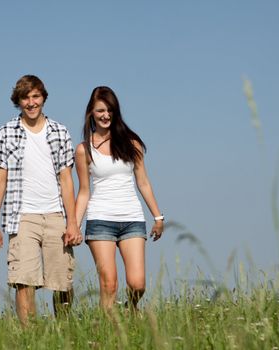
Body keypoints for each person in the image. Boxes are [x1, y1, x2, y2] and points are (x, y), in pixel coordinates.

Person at [0, 75, 82, 325]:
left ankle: (63, 330)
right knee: (24, 281)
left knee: (62, 281)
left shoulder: (59, 131)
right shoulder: (5, 133)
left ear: (43, 98)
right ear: (18, 101)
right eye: (25, 97)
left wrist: (72, 222)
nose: (31, 102)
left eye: (35, 96)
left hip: (55, 215)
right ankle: (30, 337)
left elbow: (67, 180)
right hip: (22, 216)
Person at [75, 86, 164, 311]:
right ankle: (108, 333)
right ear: (91, 113)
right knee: (109, 284)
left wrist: (158, 216)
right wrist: (74, 226)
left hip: (132, 219)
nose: (105, 115)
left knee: (137, 284)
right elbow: (84, 191)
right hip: (100, 220)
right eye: (100, 110)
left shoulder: (131, 143)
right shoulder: (83, 150)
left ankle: (130, 308)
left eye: (110, 111)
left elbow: (143, 182)